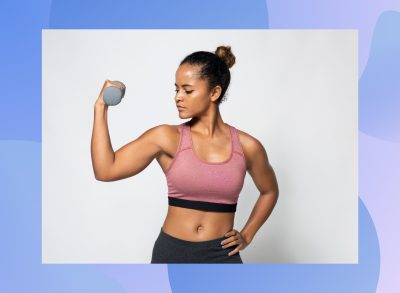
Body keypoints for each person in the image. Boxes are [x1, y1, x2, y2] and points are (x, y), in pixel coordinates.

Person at [91, 45, 279, 264]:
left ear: (214, 93)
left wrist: (247, 235)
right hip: (172, 254)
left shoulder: (248, 146)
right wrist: (100, 107)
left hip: (222, 256)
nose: (178, 97)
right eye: (176, 89)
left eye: (187, 90)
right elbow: (105, 170)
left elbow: (269, 191)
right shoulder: (166, 137)